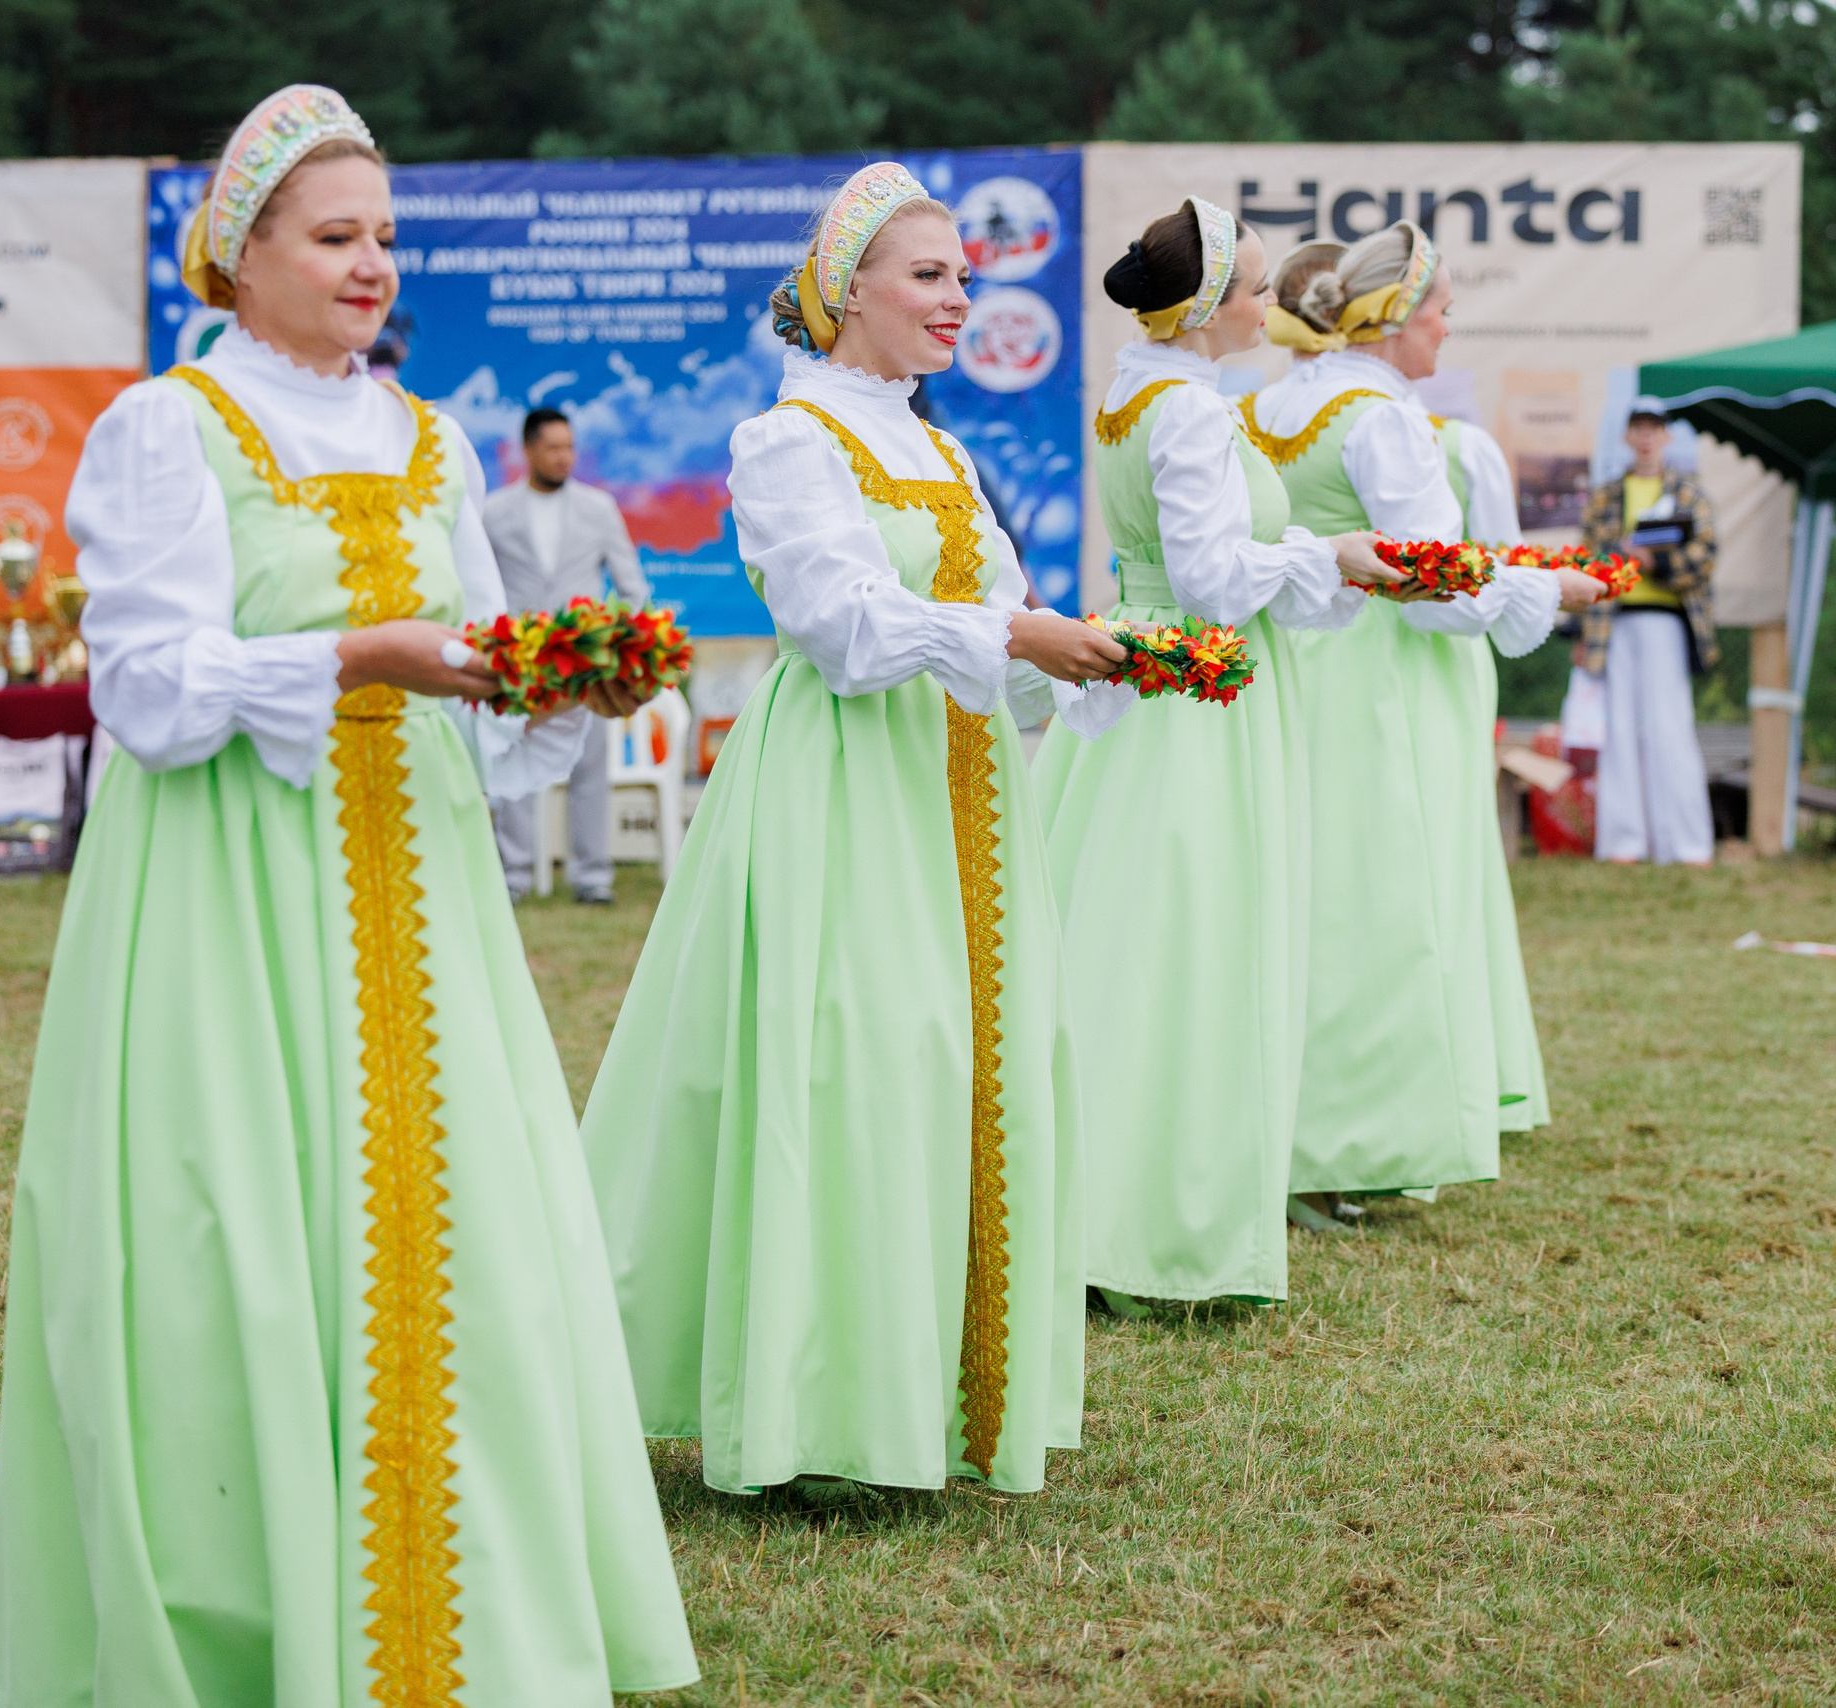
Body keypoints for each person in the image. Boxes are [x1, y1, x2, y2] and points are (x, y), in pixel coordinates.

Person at [0, 86, 696, 1705]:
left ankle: (476, 1619)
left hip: (427, 891)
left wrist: (562, 682)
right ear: (237, 253)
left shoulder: (432, 435)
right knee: (241, 1237)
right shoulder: (173, 425)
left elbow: (476, 666)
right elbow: (149, 688)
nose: (372, 264)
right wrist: (358, 655)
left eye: (385, 235)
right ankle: (255, 1613)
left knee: (467, 1241)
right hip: (234, 889)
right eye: (335, 235)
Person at [578, 163, 1131, 1498]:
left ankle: (932, 1400)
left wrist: (1094, 659)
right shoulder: (789, 441)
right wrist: (1011, 632)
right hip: (843, 784)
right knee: (854, 1065)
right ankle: (819, 1410)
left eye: (960, 274)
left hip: (964, 789)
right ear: (847, 295)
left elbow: (1001, 629)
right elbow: (838, 625)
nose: (959, 297)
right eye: (930, 276)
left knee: (965, 1070)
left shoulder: (936, 449)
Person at [1031, 197, 1398, 1315]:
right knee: (1187, 952)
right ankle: (1150, 1228)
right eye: (1249, 292)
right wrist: (1324, 553)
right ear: (1202, 310)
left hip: (1151, 675)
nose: (1266, 306)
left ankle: (1092, 1207)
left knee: (1124, 939)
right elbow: (1209, 578)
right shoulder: (1186, 409)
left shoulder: (1134, 388)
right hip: (1195, 686)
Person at [1247, 223, 1604, 1225]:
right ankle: (1336, 1144)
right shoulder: (1388, 421)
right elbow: (1433, 586)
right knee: (1373, 908)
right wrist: (1544, 590)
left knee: (1295, 893)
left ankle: (1276, 1127)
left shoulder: (1269, 402)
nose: (1448, 327)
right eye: (1440, 307)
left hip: (1288, 662)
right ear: (1395, 315)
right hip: (1375, 675)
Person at [482, 407, 650, 904]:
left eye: (569, 447)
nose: (563, 457)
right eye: (553, 448)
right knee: (512, 762)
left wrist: (617, 647)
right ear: (529, 450)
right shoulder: (493, 512)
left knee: (591, 767)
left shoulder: (599, 508)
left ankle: (592, 877)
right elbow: (478, 586)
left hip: (586, 663)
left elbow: (631, 586)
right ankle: (513, 877)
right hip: (521, 662)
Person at [1575, 397, 1720, 866]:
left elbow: (1705, 556)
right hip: (1613, 623)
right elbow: (1587, 561)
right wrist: (1579, 629)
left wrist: (1656, 564)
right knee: (1618, 730)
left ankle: (1686, 843)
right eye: (1638, 427)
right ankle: (1623, 841)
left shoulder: (1689, 492)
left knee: (1669, 726)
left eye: (1654, 428)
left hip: (1665, 621)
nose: (1646, 436)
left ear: (1666, 436)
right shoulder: (1605, 495)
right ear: (1626, 436)